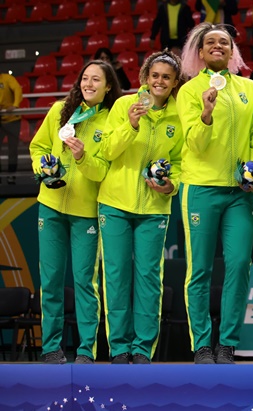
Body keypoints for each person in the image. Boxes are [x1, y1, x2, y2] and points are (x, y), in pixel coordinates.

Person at [77, 51, 185, 365]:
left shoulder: (179, 117)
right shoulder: (125, 105)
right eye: (155, 75)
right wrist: (132, 125)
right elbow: (107, 150)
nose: (160, 81)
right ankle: (120, 347)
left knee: (150, 279)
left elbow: (179, 164)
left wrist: (170, 185)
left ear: (175, 82)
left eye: (166, 77)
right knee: (116, 277)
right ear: (144, 78)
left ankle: (142, 349)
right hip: (115, 204)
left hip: (155, 208)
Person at [177, 22, 253, 365]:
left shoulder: (250, 89)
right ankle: (202, 345)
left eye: (224, 42)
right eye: (209, 42)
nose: (217, 46)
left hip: (239, 192)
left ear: (232, 51)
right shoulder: (188, 92)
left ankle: (227, 343)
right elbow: (194, 143)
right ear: (199, 52)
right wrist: (207, 113)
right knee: (200, 270)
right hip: (200, 187)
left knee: (239, 264)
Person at [29, 60, 123, 364]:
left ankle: (86, 350)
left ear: (109, 86)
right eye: (85, 78)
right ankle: (51, 348)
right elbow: (37, 147)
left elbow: (102, 171)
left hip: (86, 211)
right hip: (51, 204)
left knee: (85, 282)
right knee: (51, 280)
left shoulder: (111, 120)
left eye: (97, 80)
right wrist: (42, 167)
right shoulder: (60, 110)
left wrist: (82, 157)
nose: (89, 84)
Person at [0, 71, 22, 174]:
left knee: (12, 150)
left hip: (13, 120)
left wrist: (15, 105)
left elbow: (17, 89)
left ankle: (11, 175)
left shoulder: (7, 78)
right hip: (0, 120)